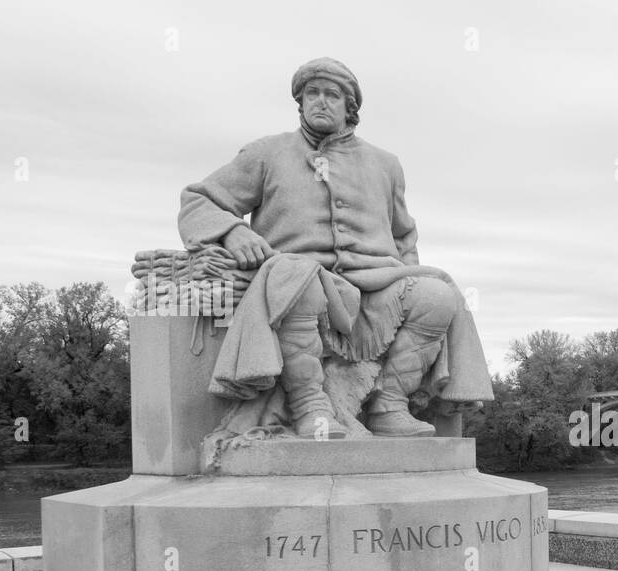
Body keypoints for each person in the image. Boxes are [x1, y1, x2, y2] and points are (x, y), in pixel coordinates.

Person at [178, 56, 492, 438]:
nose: (320, 101)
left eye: (331, 95)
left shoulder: (385, 164)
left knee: (437, 295)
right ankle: (310, 406)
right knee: (298, 282)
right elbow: (199, 201)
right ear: (300, 102)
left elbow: (404, 237)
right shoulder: (266, 153)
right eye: (312, 93)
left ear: (350, 107)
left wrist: (407, 277)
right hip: (299, 277)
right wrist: (232, 231)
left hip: (375, 285)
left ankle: (388, 403)